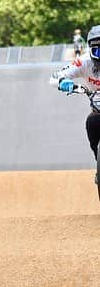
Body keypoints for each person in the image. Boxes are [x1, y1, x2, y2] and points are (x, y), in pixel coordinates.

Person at [54, 24, 100, 182]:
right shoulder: (84, 61)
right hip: (98, 107)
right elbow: (56, 75)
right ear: (90, 49)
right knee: (92, 122)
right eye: (98, 51)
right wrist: (63, 81)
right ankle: (98, 161)